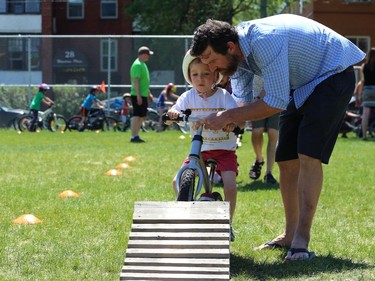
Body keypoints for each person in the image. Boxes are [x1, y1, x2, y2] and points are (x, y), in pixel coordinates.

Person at [190, 14, 365, 260]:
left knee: (307, 154)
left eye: (212, 60)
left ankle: (301, 241)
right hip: (302, 84)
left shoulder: (264, 40)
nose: (210, 68)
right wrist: (223, 121)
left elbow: (275, 101)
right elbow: (244, 104)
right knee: (286, 159)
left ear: (229, 47)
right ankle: (289, 234)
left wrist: (228, 115)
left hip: (333, 73)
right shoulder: (236, 59)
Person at [167, 50, 242, 242]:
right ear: (189, 77)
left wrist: (232, 122)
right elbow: (176, 108)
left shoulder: (224, 96)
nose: (200, 79)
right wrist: (173, 114)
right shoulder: (187, 97)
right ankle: (190, 213)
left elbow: (236, 115)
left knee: (230, 185)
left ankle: (228, 224)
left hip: (224, 149)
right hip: (199, 150)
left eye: (206, 74)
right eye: (195, 74)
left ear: (216, 76)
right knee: (177, 181)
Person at [249, 76, 279, 184]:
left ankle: (268, 173)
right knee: (257, 131)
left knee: (273, 133)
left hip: (276, 99)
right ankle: (259, 159)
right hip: (257, 100)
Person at [130, 46, 154, 143]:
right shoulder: (137, 65)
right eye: (148, 55)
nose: (149, 57)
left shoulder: (142, 64)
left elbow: (144, 82)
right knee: (137, 115)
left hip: (143, 94)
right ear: (143, 54)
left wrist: (148, 93)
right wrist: (138, 95)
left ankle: (136, 134)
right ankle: (133, 136)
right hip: (137, 95)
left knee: (142, 115)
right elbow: (136, 81)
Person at [354, 48, 375, 140]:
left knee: (365, 114)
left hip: (367, 90)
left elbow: (362, 81)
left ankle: (364, 135)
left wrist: (358, 95)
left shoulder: (364, 66)